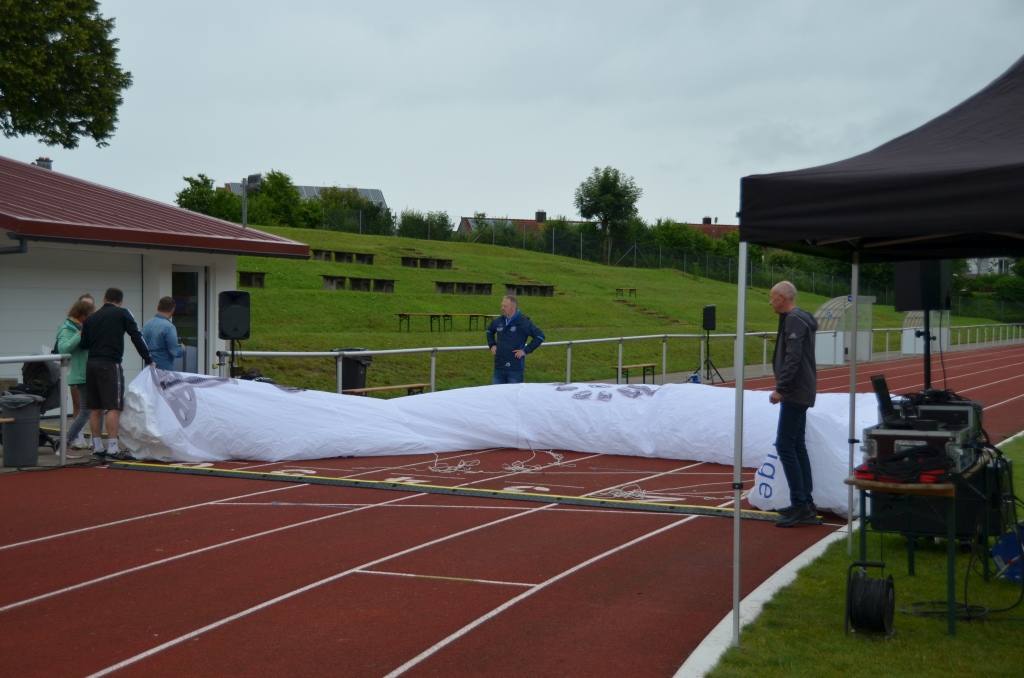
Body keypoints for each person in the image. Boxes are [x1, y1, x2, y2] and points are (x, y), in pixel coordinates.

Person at [80, 287, 155, 461]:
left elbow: (84, 344)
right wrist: (148, 358)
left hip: (91, 364)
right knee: (113, 406)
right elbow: (136, 336)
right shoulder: (122, 313)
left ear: (104, 299)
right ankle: (113, 447)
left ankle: (97, 446)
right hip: (110, 363)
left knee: (95, 407)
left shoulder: (91, 318)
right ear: (121, 301)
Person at [768, 281, 819, 527]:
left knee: (785, 445)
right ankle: (805, 502)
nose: (770, 303)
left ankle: (801, 505)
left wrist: (781, 388)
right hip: (800, 390)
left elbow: (793, 357)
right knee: (797, 445)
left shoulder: (794, 320)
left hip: (795, 392)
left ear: (781, 297)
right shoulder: (798, 319)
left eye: (772, 298)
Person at [54, 298, 96, 457]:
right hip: (81, 374)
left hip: (91, 372)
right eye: (89, 315)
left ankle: (96, 444)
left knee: (96, 410)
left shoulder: (85, 327)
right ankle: (65, 444)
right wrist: (79, 335)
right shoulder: (67, 329)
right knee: (85, 411)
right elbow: (63, 348)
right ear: (82, 315)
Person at [485, 295, 545, 384]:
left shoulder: (523, 322)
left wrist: (525, 350)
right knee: (496, 392)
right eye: (502, 305)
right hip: (499, 367)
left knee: (513, 393)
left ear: (514, 307)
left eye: (505, 306)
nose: (502, 308)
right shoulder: (498, 321)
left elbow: (540, 336)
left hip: (515, 368)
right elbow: (489, 331)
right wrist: (492, 344)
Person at [142, 296, 186, 370]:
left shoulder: (146, 325)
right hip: (164, 369)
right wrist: (183, 349)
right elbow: (175, 352)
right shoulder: (169, 327)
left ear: (158, 307)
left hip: (148, 368)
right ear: (173, 310)